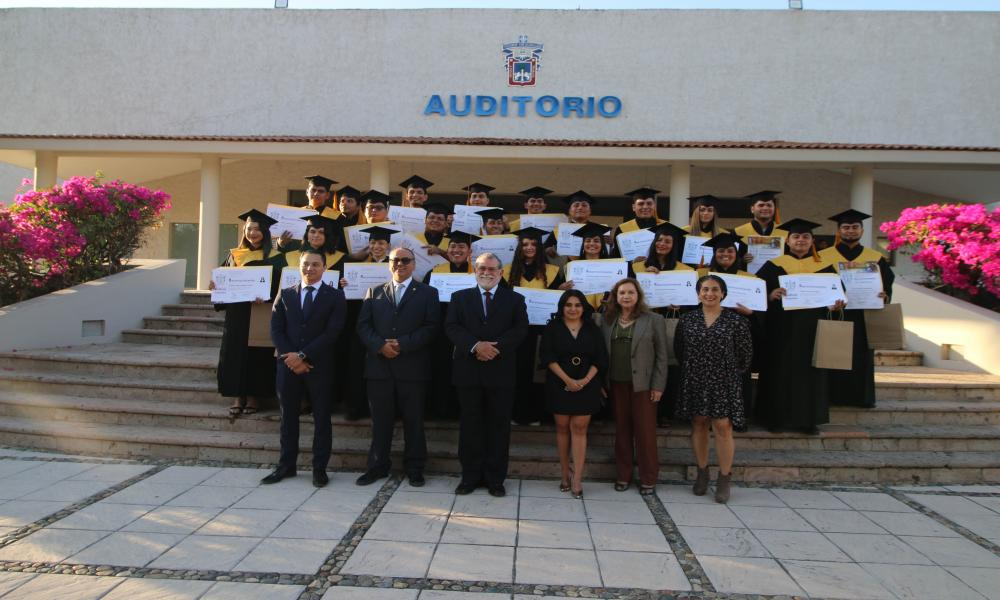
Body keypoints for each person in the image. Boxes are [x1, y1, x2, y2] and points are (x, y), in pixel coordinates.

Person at [355, 247, 441, 487]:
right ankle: (377, 466)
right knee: (380, 421)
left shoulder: (428, 293)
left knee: (414, 421)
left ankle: (414, 468)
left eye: (405, 260)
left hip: (412, 368)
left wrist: (402, 344)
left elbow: (432, 327)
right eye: (395, 260)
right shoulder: (374, 292)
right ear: (389, 264)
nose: (400, 264)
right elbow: (363, 326)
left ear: (414, 264)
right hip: (379, 368)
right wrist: (380, 346)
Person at [445, 252, 529, 497]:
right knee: (470, 425)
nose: (486, 272)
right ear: (475, 271)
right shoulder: (459, 298)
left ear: (501, 273)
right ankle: (469, 476)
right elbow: (451, 327)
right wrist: (475, 346)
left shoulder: (515, 299)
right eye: (482, 268)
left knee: (498, 427)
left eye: (492, 269)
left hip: (500, 373)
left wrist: (494, 348)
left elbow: (520, 329)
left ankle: (495, 479)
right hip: (468, 373)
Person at [264, 250, 347, 487]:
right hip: (287, 365)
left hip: (318, 365)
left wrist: (303, 355)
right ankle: (286, 466)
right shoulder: (286, 294)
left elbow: (333, 332)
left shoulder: (335, 296)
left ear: (324, 267)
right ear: (299, 266)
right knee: (287, 417)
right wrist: (291, 358)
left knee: (322, 418)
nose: (309, 269)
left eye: (315, 265)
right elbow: (276, 329)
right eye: (305, 264)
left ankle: (319, 469)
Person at [755, 218, 842, 434]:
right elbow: (755, 293)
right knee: (777, 372)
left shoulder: (824, 267)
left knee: (810, 374)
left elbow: (838, 295)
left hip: (812, 330)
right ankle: (775, 420)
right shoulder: (773, 265)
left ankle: (808, 421)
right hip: (780, 330)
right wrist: (770, 294)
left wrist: (836, 304)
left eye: (805, 237)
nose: (800, 240)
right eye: (796, 237)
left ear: (812, 240)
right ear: (788, 240)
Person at [674, 275, 753, 504]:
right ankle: (702, 472)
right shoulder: (687, 320)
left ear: (723, 294)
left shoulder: (736, 321)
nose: (709, 293)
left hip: (723, 380)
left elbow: (745, 355)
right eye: (705, 289)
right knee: (698, 422)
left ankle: (724, 478)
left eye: (715, 289)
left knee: (722, 426)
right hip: (695, 378)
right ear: (698, 293)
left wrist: (726, 373)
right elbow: (680, 350)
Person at [818, 209, 895, 408]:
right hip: (835, 313)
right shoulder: (823, 257)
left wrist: (884, 294)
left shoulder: (875, 258)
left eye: (854, 227)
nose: (850, 231)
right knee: (832, 353)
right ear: (839, 230)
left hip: (863, 314)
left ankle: (861, 398)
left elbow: (886, 282)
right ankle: (831, 396)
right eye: (846, 227)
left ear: (861, 230)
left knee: (861, 356)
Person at [599, 278, 668, 495]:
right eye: (622, 293)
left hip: (644, 386)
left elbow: (662, 357)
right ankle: (623, 475)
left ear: (638, 295)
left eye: (630, 292)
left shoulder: (653, 319)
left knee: (645, 433)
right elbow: (600, 354)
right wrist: (602, 382)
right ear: (615, 297)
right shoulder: (606, 320)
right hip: (616, 384)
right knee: (622, 431)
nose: (626, 296)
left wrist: (658, 386)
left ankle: (648, 478)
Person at [539, 289, 608, 499]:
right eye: (568, 305)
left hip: (587, 384)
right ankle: (564, 475)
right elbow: (547, 357)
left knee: (579, 428)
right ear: (562, 307)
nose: (573, 309)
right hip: (559, 383)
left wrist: (584, 381)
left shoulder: (592, 328)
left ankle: (577, 478)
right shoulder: (553, 327)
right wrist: (568, 381)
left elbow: (601, 358)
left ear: (583, 307)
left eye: (577, 305)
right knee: (562, 428)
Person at [213, 209, 282, 416]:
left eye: (257, 229)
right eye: (249, 229)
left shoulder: (276, 256)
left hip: (262, 310)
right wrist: (216, 286)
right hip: (238, 312)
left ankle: (254, 396)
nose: (253, 233)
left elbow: (280, 285)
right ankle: (237, 395)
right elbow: (224, 280)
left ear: (265, 232)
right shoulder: (235, 254)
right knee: (235, 352)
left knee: (257, 354)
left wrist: (267, 295)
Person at [632, 221, 694, 427]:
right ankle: (646, 411)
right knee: (646, 365)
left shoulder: (685, 270)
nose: (662, 244)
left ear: (674, 244)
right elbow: (627, 296)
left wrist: (681, 306)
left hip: (671, 323)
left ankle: (666, 412)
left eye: (667, 241)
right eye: (659, 240)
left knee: (669, 366)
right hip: (643, 322)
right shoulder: (638, 267)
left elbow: (692, 302)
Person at [697, 232, 760, 427]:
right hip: (708, 332)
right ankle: (706, 416)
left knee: (738, 375)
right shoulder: (702, 276)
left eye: (730, 251)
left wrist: (750, 313)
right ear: (714, 254)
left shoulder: (750, 278)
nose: (726, 254)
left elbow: (760, 312)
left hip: (737, 336)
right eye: (721, 251)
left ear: (737, 254)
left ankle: (738, 417)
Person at [502, 226, 563, 426]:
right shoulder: (507, 272)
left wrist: (560, 291)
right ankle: (516, 414)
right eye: (525, 244)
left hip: (541, 331)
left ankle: (537, 415)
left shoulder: (553, 272)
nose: (529, 247)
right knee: (516, 372)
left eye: (534, 244)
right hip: (515, 332)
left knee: (538, 374)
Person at [340, 225, 396, 421]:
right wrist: (345, 285)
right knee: (357, 364)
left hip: (387, 322)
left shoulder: (395, 265)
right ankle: (356, 408)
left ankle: (385, 410)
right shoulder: (356, 266)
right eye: (373, 242)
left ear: (388, 246)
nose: (376, 246)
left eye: (380, 243)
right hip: (361, 320)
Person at [424, 232, 479, 419]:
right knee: (441, 368)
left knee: (465, 371)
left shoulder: (479, 272)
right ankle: (439, 409)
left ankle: (461, 411)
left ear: (469, 251)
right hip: (441, 331)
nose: (457, 250)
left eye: (461, 247)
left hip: (470, 331)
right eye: (453, 247)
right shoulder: (436, 271)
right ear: (447, 250)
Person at [559, 221, 613, 311]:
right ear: (583, 245)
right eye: (588, 241)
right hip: (579, 312)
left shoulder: (613, 266)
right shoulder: (572, 267)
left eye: (596, 241)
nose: (592, 243)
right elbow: (560, 291)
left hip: (606, 312)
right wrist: (560, 288)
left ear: (602, 245)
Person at [548, 190, 598, 262]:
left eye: (584, 205)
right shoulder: (559, 230)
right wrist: (548, 250)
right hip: (566, 269)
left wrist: (610, 245)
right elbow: (546, 247)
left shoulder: (597, 229)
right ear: (570, 211)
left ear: (590, 211)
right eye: (576, 205)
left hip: (592, 269)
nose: (580, 208)